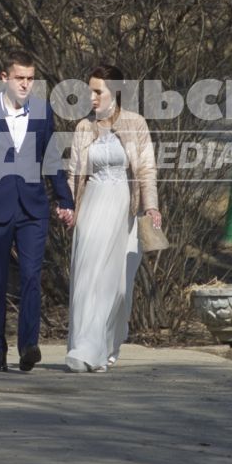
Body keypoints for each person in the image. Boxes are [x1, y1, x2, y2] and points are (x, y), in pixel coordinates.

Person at [0, 49, 75, 372]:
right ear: (4, 78)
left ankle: (28, 346)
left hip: (32, 208)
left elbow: (51, 159)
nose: (26, 84)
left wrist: (64, 199)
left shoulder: (42, 112)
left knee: (31, 277)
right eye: (20, 78)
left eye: (30, 79)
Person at [65, 64, 160, 373]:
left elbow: (146, 168)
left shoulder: (135, 124)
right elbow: (74, 174)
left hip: (124, 208)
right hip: (92, 206)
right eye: (89, 90)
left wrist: (151, 206)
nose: (91, 97)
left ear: (115, 92)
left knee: (117, 285)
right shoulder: (83, 128)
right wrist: (69, 208)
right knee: (88, 278)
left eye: (98, 91)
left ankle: (106, 345)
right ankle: (84, 348)